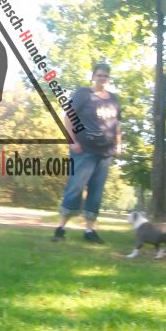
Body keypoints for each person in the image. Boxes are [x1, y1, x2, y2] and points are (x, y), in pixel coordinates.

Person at [52, 63, 122, 243]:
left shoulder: (113, 99)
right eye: (99, 75)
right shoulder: (84, 94)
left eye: (105, 76)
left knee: (96, 191)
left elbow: (117, 125)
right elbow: (68, 117)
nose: (102, 78)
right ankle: (60, 228)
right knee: (75, 187)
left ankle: (89, 232)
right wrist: (72, 141)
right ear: (93, 76)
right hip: (84, 150)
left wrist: (118, 146)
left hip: (105, 152)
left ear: (108, 78)